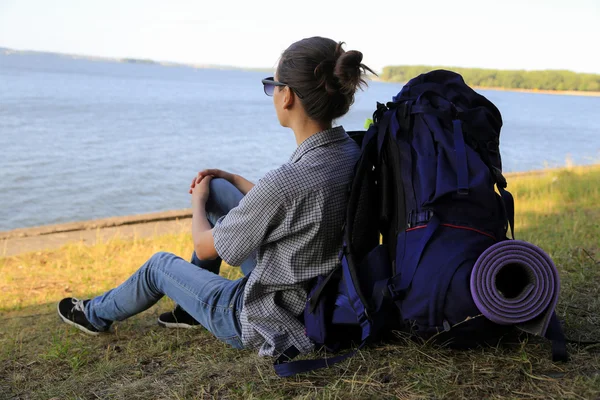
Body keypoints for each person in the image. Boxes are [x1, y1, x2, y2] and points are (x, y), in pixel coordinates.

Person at [58, 36, 373, 357]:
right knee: (222, 191)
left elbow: (203, 246)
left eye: (272, 85)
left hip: (265, 316)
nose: (273, 94)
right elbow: (296, 204)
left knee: (159, 266)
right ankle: (188, 310)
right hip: (317, 290)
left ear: (287, 95)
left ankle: (92, 314)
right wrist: (233, 179)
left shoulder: (285, 182)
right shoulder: (351, 152)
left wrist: (197, 201)